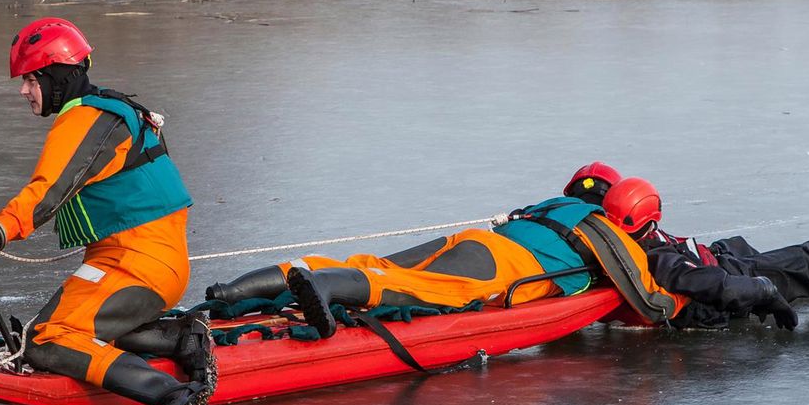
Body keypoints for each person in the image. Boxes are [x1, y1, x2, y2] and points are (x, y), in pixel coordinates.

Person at [0, 18, 213, 405]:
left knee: (47, 339)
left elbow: (46, 192)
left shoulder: (86, 119)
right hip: (139, 262)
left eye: (30, 80)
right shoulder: (111, 111)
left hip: (137, 266)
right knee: (45, 330)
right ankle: (179, 337)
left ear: (55, 75)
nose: (23, 91)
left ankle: (168, 392)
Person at [207, 162, 693, 338]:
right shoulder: (608, 234)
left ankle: (234, 290)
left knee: (373, 263)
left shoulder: (552, 205)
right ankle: (322, 287)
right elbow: (650, 302)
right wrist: (684, 298)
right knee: (402, 285)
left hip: (478, 241)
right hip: (501, 267)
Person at [601, 176, 809, 330]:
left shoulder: (622, 238)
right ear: (652, 216)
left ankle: (784, 277)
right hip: (720, 279)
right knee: (807, 257)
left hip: (709, 259)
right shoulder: (660, 259)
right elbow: (714, 284)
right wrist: (763, 291)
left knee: (738, 245)